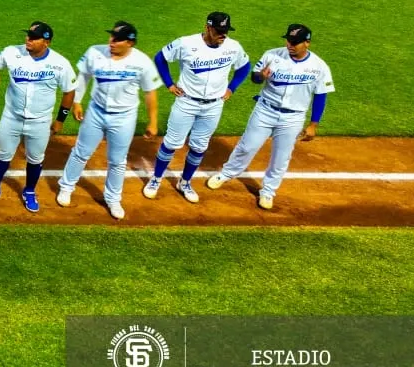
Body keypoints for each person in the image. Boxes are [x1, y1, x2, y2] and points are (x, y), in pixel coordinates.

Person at [206, 24, 335, 210]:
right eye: (288, 40)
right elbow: (254, 77)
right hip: (265, 110)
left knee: (281, 156)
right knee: (248, 146)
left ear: (307, 43)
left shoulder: (319, 66)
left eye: (295, 42)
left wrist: (313, 124)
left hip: (293, 118)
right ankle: (226, 174)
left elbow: (321, 95)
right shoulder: (272, 55)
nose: (290, 45)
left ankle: (268, 191)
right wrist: (261, 76)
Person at [55, 21, 161, 220]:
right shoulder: (95, 52)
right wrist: (77, 101)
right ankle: (66, 187)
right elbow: (83, 76)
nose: (111, 41)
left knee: (117, 161)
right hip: (96, 112)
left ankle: (112, 198)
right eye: (111, 36)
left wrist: (152, 122)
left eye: (117, 39)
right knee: (81, 152)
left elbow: (150, 92)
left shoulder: (142, 62)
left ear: (130, 43)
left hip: (124, 117)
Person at [143, 13, 250, 203]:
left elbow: (244, 66)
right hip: (186, 102)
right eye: (219, 31)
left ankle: (184, 182)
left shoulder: (233, 47)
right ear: (208, 27)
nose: (223, 35)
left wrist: (231, 88)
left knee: (200, 146)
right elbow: (160, 58)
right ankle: (156, 179)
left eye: (226, 31)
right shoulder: (186, 43)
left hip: (214, 106)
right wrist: (169, 84)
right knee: (172, 143)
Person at [0, 21, 77, 213]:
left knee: (35, 158)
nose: (28, 40)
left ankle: (29, 191)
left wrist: (60, 120)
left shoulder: (60, 63)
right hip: (11, 117)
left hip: (40, 122)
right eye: (28, 36)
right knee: (3, 154)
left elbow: (69, 91)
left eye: (33, 37)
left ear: (46, 42)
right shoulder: (12, 52)